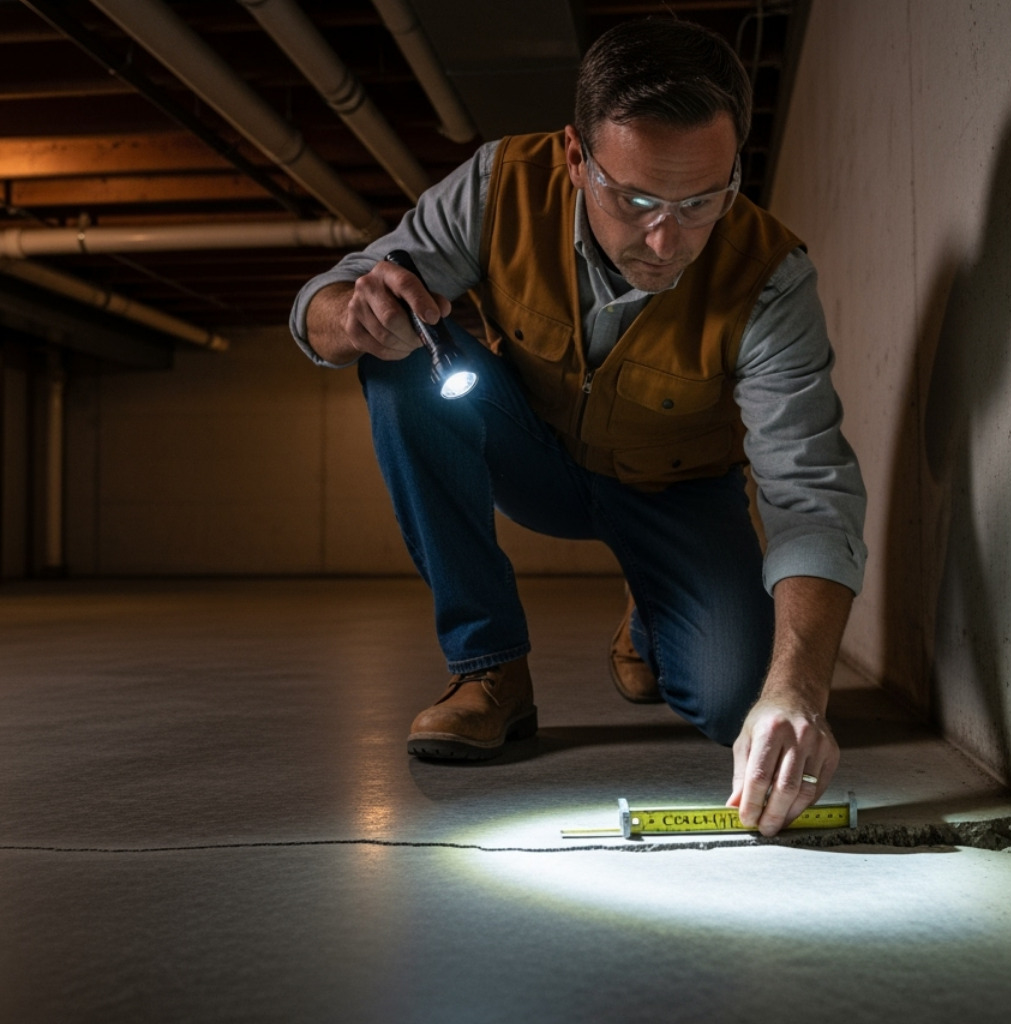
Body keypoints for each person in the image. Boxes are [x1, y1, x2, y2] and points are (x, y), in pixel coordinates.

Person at [291, 18, 866, 838]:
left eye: (702, 201)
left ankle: (652, 608)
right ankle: (487, 672)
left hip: (678, 493)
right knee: (397, 355)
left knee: (739, 697)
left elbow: (811, 494)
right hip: (536, 456)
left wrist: (797, 691)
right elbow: (333, 294)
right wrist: (347, 317)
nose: (667, 241)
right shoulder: (500, 186)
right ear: (575, 158)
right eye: (634, 199)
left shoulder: (770, 279)